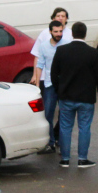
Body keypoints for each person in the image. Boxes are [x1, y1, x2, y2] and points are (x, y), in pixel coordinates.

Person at [50, 22, 98, 169]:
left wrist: (59, 90)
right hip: (86, 98)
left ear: (72, 34)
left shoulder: (62, 51)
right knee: (84, 128)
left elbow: (53, 74)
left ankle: (65, 159)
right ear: (85, 34)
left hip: (66, 97)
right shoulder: (92, 53)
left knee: (65, 128)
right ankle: (82, 159)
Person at [31, 20, 66, 153]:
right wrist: (38, 86)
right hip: (50, 84)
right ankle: (50, 143)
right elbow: (39, 66)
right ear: (50, 31)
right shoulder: (44, 46)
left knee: (64, 114)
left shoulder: (66, 44)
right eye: (56, 31)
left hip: (64, 85)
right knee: (48, 115)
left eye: (60, 31)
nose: (58, 34)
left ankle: (63, 143)